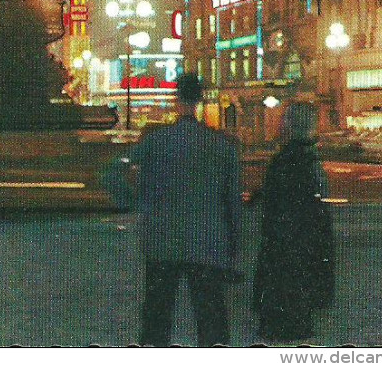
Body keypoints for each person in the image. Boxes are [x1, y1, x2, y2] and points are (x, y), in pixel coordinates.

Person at [131, 72, 242, 347]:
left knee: (157, 316)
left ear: (175, 98)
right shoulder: (221, 145)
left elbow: (116, 173)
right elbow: (232, 202)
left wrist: (140, 202)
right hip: (207, 241)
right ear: (200, 100)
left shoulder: (155, 141)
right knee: (211, 319)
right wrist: (233, 246)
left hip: (161, 239)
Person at [253, 101, 334, 343]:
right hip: (306, 237)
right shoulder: (310, 160)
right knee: (300, 289)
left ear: (289, 125)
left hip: (282, 238)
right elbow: (320, 196)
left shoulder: (284, 159)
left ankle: (281, 330)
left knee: (282, 289)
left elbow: (274, 198)